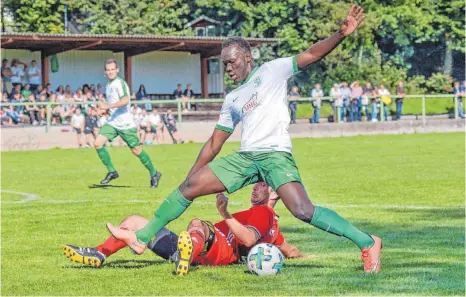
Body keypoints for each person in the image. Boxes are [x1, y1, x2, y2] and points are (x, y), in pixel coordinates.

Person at [107, 5, 382, 275]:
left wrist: (340, 34)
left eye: (232, 61)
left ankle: (368, 243)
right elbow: (214, 143)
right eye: (224, 63)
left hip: (274, 155)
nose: (227, 68)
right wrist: (190, 180)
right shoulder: (232, 98)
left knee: (302, 210)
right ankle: (142, 238)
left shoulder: (272, 71)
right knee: (189, 187)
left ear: (248, 58)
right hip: (246, 158)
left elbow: (310, 54)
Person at [61, 182, 308, 270]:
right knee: (134, 221)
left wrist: (225, 213)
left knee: (198, 223)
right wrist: (307, 256)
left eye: (262, 185)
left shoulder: (263, 212)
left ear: (275, 192)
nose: (255, 187)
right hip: (196, 249)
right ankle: (100, 253)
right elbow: (288, 249)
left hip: (214, 247)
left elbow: (249, 240)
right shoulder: (272, 225)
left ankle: (181, 251)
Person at [94, 59, 161, 187]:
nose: (110, 72)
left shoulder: (120, 83)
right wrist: (104, 112)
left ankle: (154, 173)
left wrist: (107, 106)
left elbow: (125, 101)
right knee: (97, 143)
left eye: (113, 69)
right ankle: (112, 171)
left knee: (136, 150)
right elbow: (114, 107)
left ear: (117, 70)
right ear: (105, 72)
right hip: (113, 122)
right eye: (108, 70)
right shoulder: (108, 85)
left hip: (126, 125)